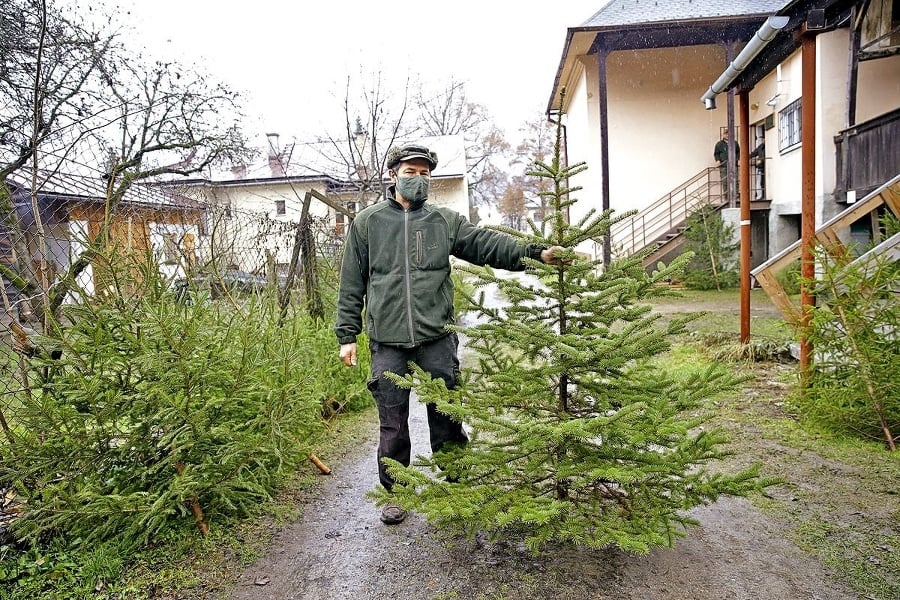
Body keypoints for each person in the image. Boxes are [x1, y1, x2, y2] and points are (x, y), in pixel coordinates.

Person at [335, 143, 564, 525]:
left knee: (445, 414)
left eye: (425, 174)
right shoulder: (368, 223)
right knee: (392, 423)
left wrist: (536, 254)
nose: (418, 179)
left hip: (436, 337)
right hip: (387, 341)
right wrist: (347, 335)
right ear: (393, 175)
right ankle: (397, 492)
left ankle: (456, 483)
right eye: (411, 172)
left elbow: (487, 244)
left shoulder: (444, 221)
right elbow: (351, 282)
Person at [714, 128, 740, 200]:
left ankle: (736, 196)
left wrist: (737, 159)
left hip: (733, 165)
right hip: (724, 166)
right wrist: (718, 160)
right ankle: (726, 197)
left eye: (729, 133)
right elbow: (716, 154)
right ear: (723, 134)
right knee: (725, 182)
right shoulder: (719, 144)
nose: (727, 135)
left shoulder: (735, 143)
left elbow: (738, 152)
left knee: (735, 181)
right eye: (726, 133)